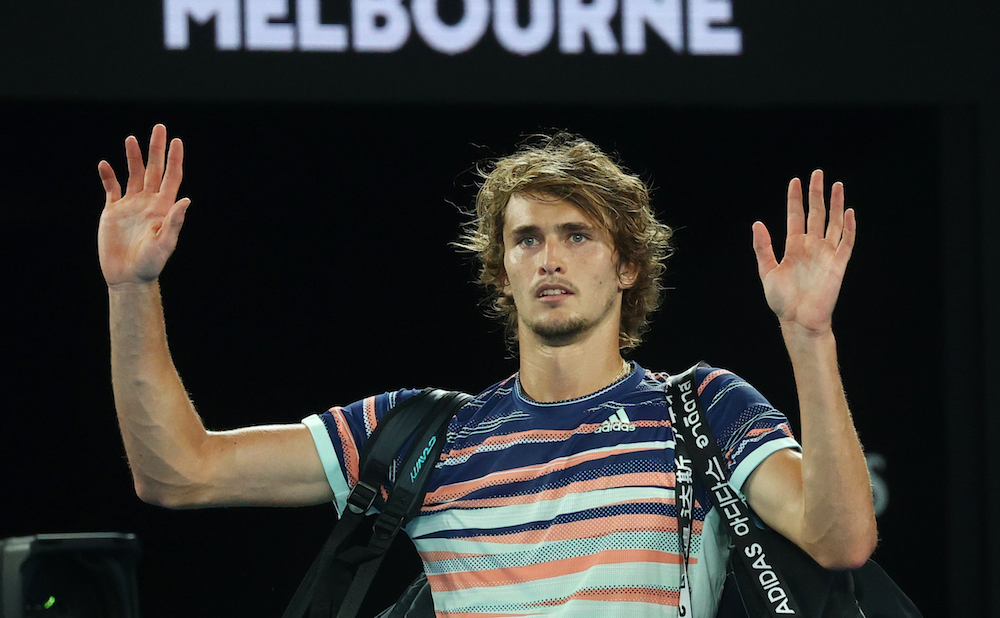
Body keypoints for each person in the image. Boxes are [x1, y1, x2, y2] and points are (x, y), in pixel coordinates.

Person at [97, 124, 877, 618]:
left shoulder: (703, 409)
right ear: (501, 270)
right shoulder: (425, 435)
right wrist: (132, 289)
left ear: (628, 266)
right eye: (527, 239)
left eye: (577, 235)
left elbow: (839, 539)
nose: (550, 259)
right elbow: (181, 471)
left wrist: (809, 337)